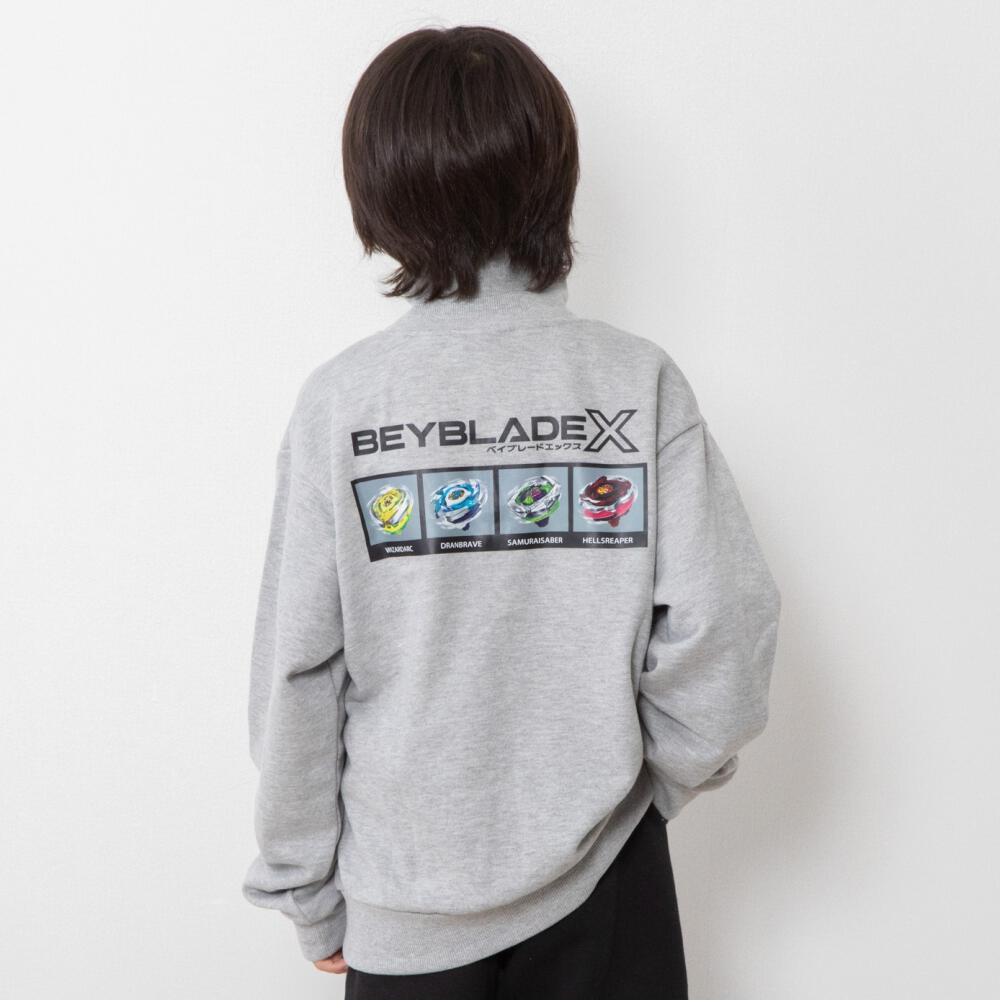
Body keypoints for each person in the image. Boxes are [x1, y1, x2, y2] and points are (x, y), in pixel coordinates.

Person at [241, 24, 781, 1000]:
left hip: (406, 908)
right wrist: (635, 789)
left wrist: (305, 890)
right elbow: (726, 630)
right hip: (606, 890)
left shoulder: (343, 405)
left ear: (376, 190)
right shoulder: (634, 383)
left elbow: (298, 674)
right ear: (553, 173)